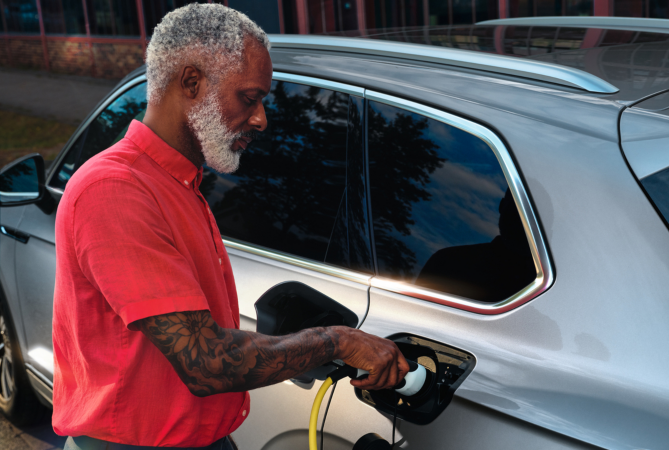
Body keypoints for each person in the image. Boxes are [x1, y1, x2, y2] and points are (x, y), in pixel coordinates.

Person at [53, 4, 409, 449]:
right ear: (191, 83)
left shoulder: (179, 182)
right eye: (249, 97)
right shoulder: (115, 189)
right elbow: (206, 362)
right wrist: (333, 341)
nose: (261, 118)